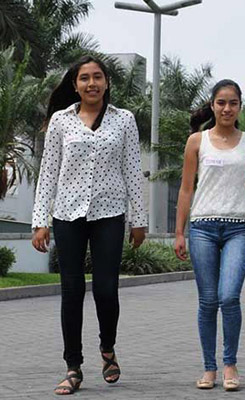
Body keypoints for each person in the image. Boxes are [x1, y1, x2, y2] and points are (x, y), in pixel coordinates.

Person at [31, 56, 147, 395]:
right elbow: (48, 172)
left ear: (107, 82)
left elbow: (132, 170)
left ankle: (107, 348)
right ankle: (73, 366)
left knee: (106, 289)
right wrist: (40, 221)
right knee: (71, 291)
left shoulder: (124, 119)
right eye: (84, 78)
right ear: (75, 84)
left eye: (97, 77)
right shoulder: (60, 120)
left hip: (109, 214)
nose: (91, 83)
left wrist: (139, 220)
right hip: (68, 214)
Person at [174, 79, 245, 392]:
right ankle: (209, 368)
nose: (227, 108)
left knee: (229, 297)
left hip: (239, 228)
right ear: (213, 105)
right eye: (221, 103)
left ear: (240, 107)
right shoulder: (197, 141)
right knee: (208, 301)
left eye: (233, 103)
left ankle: (230, 363)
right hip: (202, 227)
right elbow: (186, 189)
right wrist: (179, 232)